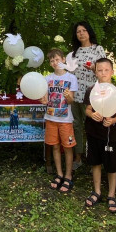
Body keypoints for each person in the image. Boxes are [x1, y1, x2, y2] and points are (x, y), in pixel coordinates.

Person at [83, 58, 116, 213]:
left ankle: (111, 195)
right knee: (96, 163)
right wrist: (92, 114)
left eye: (106, 70)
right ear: (95, 72)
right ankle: (97, 191)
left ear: (112, 72)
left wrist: (113, 120)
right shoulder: (91, 90)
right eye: (100, 70)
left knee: (112, 166)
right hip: (93, 133)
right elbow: (87, 109)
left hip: (110, 135)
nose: (103, 73)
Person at [40, 48, 78, 193]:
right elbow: (44, 98)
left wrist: (68, 96)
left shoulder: (71, 78)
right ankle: (59, 174)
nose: (55, 62)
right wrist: (43, 100)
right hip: (50, 118)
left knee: (68, 148)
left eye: (57, 59)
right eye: (51, 60)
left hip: (66, 120)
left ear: (63, 60)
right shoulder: (47, 79)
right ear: (50, 64)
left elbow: (70, 101)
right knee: (55, 146)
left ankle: (68, 176)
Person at [70, 21, 106, 170]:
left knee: (92, 127)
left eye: (84, 30)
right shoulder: (74, 53)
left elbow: (105, 72)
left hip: (91, 96)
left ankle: (94, 160)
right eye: (78, 31)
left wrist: (94, 68)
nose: (81, 33)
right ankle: (78, 158)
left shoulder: (98, 49)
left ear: (89, 32)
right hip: (75, 96)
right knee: (76, 126)